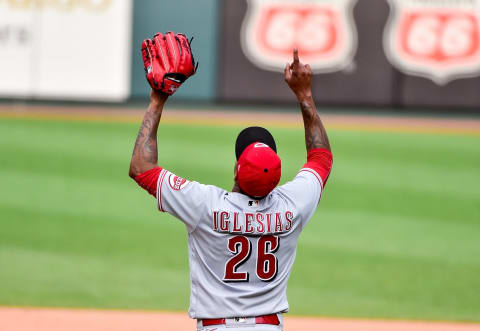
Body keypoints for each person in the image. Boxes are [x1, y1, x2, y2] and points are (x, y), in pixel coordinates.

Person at [129, 49, 333, 331]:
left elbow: (141, 166)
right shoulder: (293, 206)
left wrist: (157, 98)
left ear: (237, 170)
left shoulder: (206, 205)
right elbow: (321, 157)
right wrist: (305, 94)